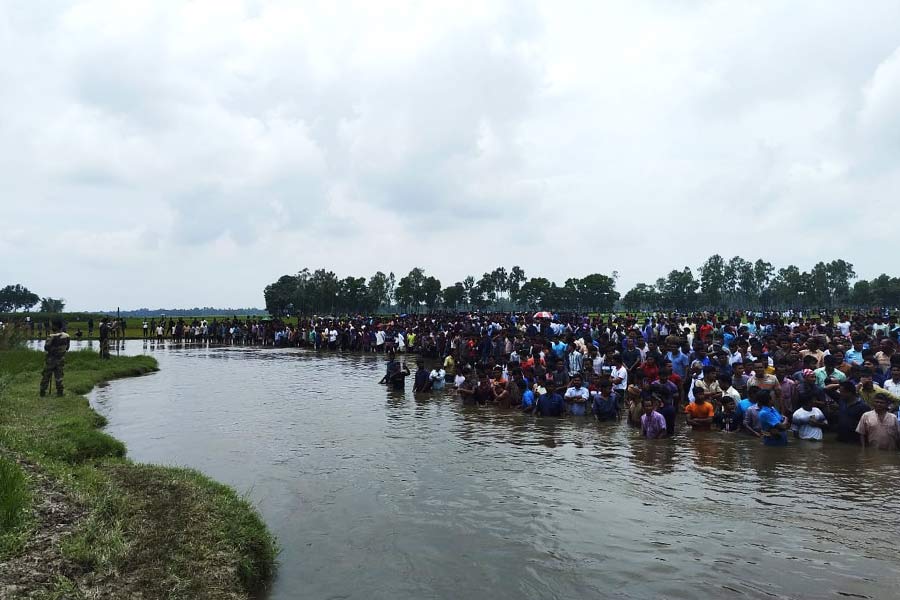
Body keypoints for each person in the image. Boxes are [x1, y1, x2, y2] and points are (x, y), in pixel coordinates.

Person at [39, 319, 70, 397]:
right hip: (61, 359)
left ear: (55, 326)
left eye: (52, 325)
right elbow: (67, 348)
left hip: (51, 359)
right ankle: (60, 392)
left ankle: (42, 391)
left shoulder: (51, 336)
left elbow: (46, 347)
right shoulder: (67, 336)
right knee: (59, 376)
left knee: (46, 376)